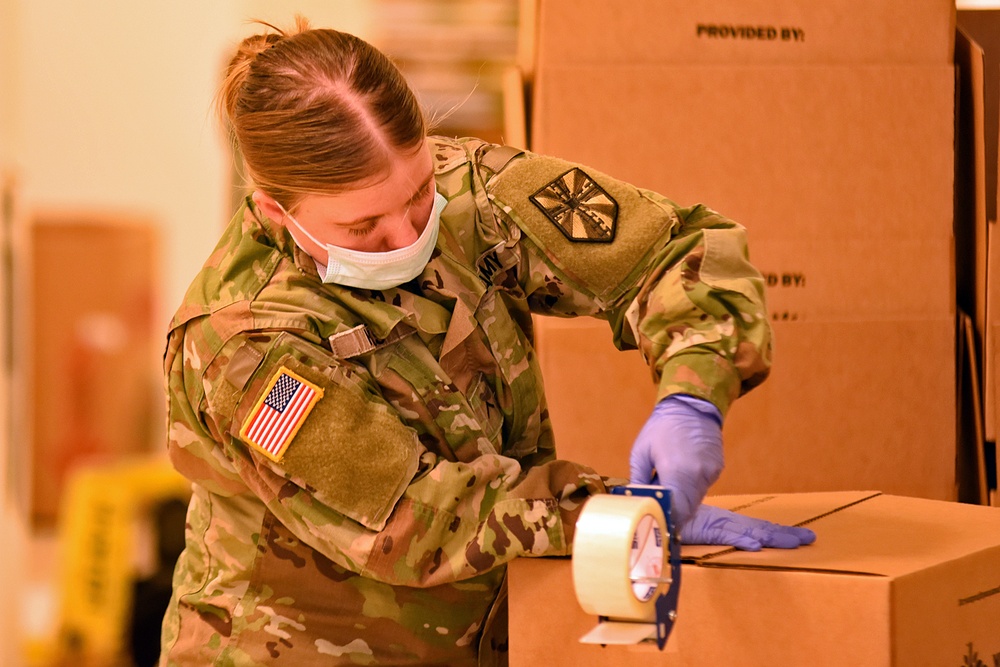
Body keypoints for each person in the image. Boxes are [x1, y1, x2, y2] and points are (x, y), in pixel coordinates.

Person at [160, 17, 815, 667]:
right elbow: (414, 519)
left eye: (417, 195)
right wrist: (613, 511)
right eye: (364, 226)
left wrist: (692, 395)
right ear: (277, 211)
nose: (407, 236)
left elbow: (676, 250)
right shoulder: (243, 348)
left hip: (492, 636)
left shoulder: (470, 191)